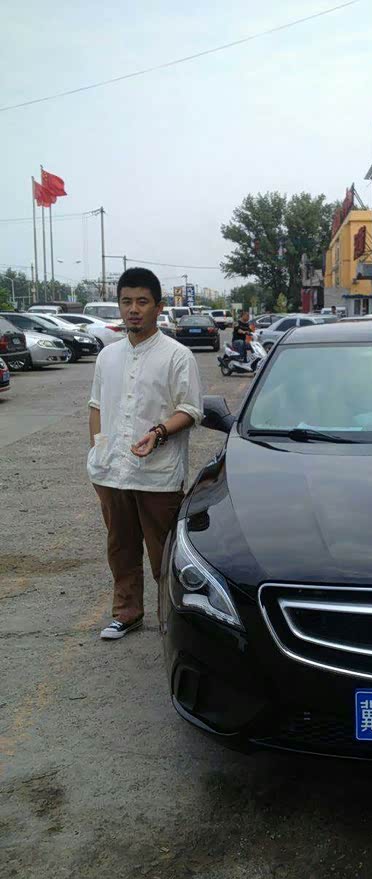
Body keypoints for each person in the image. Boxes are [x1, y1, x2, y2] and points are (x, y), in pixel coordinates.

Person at [88, 267, 203, 640]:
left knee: (163, 554)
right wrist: (98, 450)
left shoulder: (177, 356)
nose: (133, 310)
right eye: (126, 302)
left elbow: (190, 410)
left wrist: (158, 433)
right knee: (120, 548)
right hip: (112, 472)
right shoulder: (108, 356)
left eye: (142, 302)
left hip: (158, 475)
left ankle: (172, 619)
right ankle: (127, 613)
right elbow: (96, 406)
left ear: (158, 306)